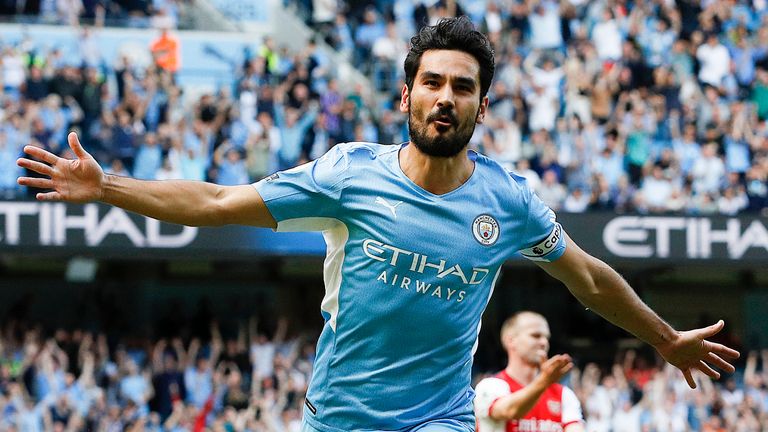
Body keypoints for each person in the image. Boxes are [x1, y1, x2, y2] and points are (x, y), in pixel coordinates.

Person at [17, 17, 739, 432]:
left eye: (463, 86)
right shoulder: (349, 175)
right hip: (340, 416)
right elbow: (212, 204)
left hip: (442, 419)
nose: (445, 97)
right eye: (433, 82)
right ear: (407, 94)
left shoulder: (509, 200)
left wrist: (666, 339)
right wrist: (107, 185)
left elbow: (590, 280)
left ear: (482, 105)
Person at [475, 311, 584, 432]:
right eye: (535, 336)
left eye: (546, 337)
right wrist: (544, 380)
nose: (544, 343)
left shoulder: (564, 394)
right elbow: (510, 411)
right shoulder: (490, 386)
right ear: (510, 340)